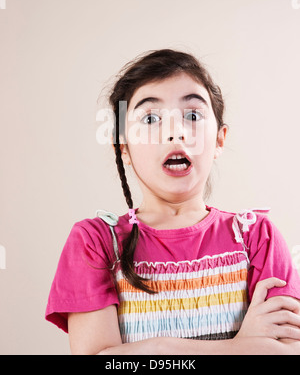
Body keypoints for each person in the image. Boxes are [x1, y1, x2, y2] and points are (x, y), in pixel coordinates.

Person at [45, 49, 300, 354]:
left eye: (192, 115)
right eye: (150, 118)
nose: (174, 132)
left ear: (219, 139)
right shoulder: (94, 241)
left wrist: (153, 350)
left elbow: (284, 352)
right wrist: (241, 346)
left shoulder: (257, 236)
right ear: (123, 147)